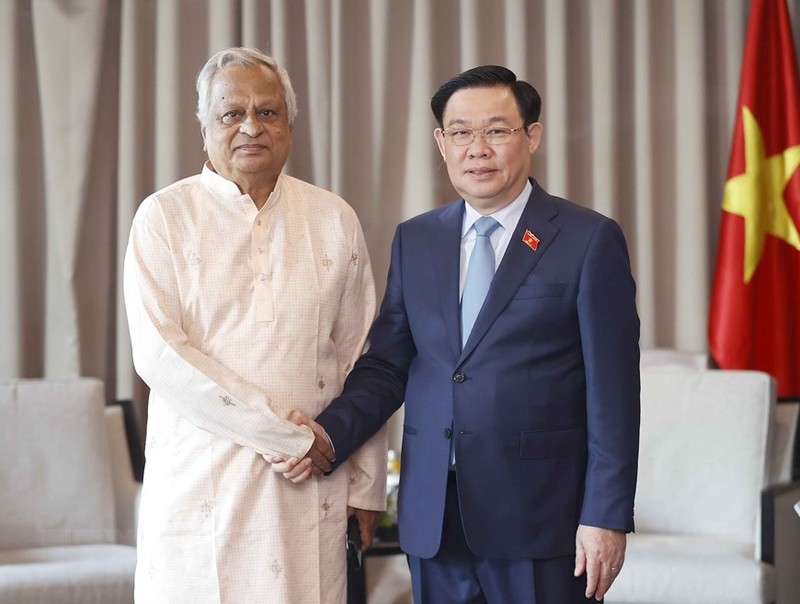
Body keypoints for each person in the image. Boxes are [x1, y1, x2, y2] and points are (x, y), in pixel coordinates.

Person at [277, 65, 640, 603]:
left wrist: (605, 515)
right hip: (435, 519)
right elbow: (387, 365)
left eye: (497, 130)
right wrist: (328, 435)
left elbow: (614, 392)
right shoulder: (417, 239)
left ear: (532, 136)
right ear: (441, 144)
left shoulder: (588, 240)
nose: (479, 148)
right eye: (462, 133)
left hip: (541, 520)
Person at [123, 47, 387, 604]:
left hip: (312, 482)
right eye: (231, 113)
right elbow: (160, 355)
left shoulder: (333, 217)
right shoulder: (164, 216)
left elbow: (361, 356)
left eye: (268, 112)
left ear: (290, 124)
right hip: (205, 478)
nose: (251, 127)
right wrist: (287, 437)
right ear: (204, 127)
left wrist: (366, 486)